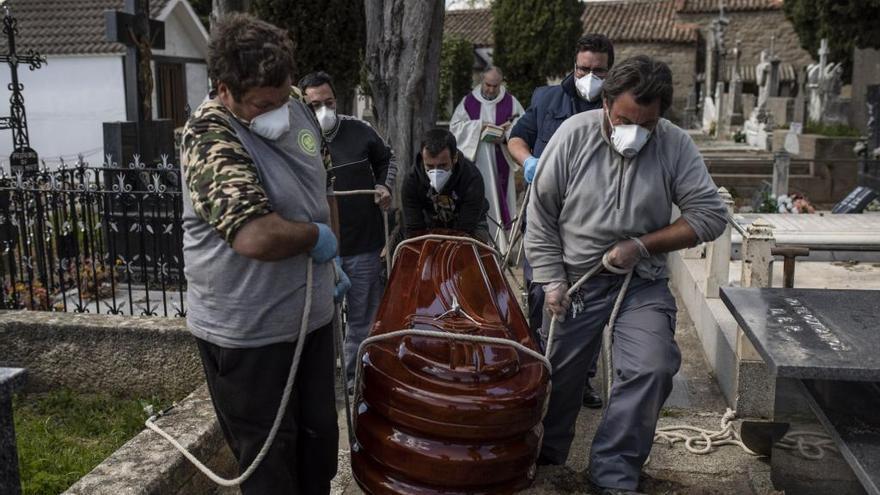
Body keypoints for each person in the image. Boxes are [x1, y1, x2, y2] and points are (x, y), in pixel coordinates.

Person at [524, 56, 726, 494]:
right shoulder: (573, 136)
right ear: (606, 105)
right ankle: (548, 461)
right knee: (557, 379)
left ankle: (612, 473)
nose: (634, 131)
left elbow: (709, 215)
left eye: (647, 123)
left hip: (640, 282)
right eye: (623, 119)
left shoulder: (673, 145)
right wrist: (550, 278)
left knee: (652, 367)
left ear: (660, 117)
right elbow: (540, 214)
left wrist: (642, 245)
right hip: (575, 280)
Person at [180, 14, 343, 494]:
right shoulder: (208, 137)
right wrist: (315, 239)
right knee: (271, 465)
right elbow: (253, 236)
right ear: (224, 89)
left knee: (318, 448)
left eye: (282, 94)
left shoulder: (292, 102)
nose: (277, 111)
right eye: (261, 104)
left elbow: (323, 179)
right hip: (249, 336)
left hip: (309, 319)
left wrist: (333, 255)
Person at [508, 33, 615, 409]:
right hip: (545, 218)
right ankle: (539, 370)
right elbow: (517, 138)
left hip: (593, 223)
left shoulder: (617, 105)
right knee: (540, 297)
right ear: (574, 66)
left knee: (588, 302)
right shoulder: (546, 99)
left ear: (610, 71)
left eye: (598, 70)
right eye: (583, 68)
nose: (589, 76)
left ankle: (580, 378)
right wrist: (529, 163)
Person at [299, 71, 398, 392]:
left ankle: (357, 380)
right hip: (318, 249)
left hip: (363, 246)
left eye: (328, 102)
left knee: (362, 319)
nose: (323, 111)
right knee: (319, 321)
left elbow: (388, 159)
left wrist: (384, 185)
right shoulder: (295, 138)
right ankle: (323, 383)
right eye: (315, 105)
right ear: (303, 105)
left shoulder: (360, 130)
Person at [450, 67, 524, 252]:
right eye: (488, 85)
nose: (491, 90)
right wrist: (479, 127)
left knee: (501, 202)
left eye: (495, 86)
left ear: (501, 83)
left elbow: (522, 125)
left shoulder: (511, 102)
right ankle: (478, 243)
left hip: (501, 162)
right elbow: (455, 128)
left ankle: (502, 246)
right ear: (482, 81)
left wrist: (506, 134)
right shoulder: (469, 102)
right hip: (477, 161)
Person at [402, 128, 489, 241]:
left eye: (443, 166)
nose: (436, 172)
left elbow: (465, 229)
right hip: (428, 226)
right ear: (422, 159)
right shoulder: (412, 180)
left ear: (455, 158)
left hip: (470, 226)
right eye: (430, 166)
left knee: (471, 252)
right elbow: (414, 228)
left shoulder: (472, 178)